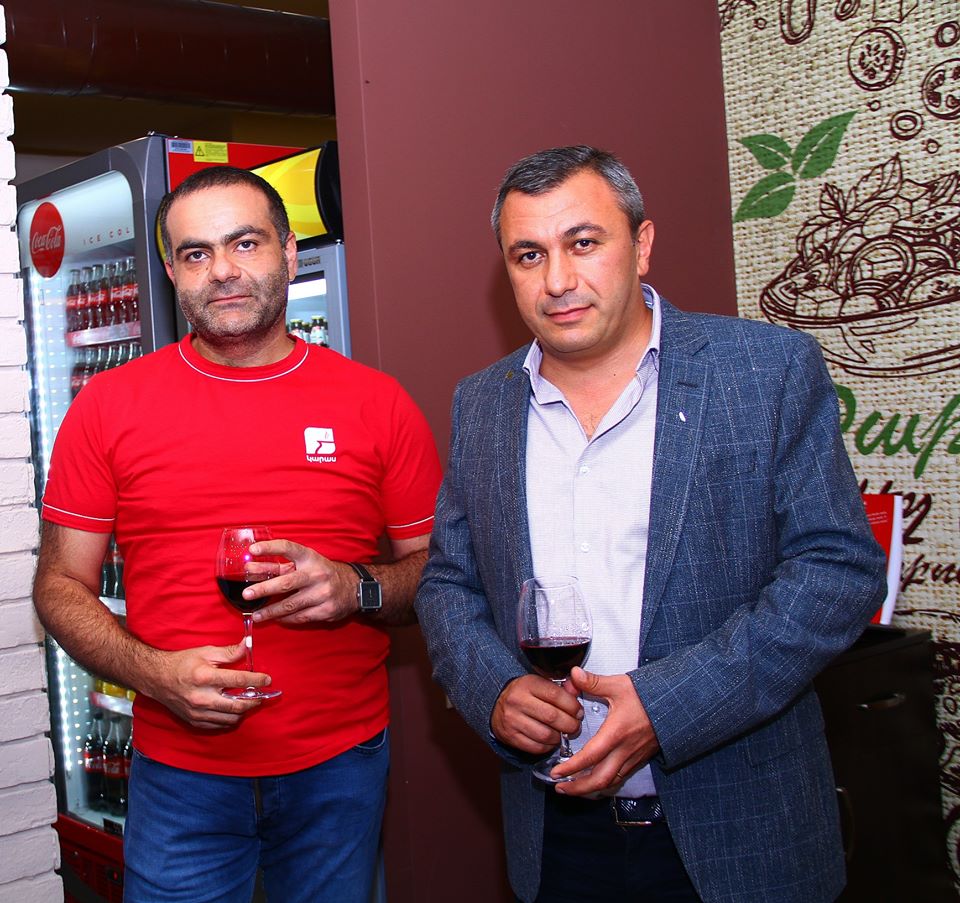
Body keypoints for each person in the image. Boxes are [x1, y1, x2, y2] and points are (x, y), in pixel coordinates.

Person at [414, 145, 887, 903]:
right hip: (558, 836)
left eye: (583, 242)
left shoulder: (765, 371)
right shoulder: (483, 402)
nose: (557, 280)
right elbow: (447, 583)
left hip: (742, 832)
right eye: (529, 254)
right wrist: (494, 688)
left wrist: (669, 707)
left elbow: (837, 571)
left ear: (642, 245)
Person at [33, 166, 442, 903]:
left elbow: (440, 577)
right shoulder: (109, 407)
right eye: (196, 253)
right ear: (171, 272)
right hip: (179, 776)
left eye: (245, 243)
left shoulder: (378, 404)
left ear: (289, 253)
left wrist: (355, 587)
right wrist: (155, 675)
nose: (222, 270)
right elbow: (59, 587)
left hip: (339, 770)